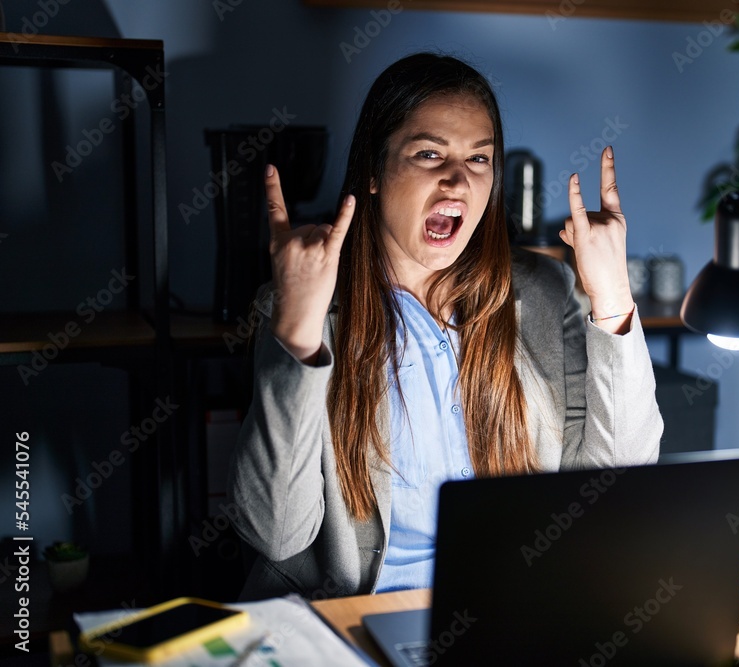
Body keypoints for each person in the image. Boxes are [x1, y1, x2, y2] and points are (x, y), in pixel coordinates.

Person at [229, 52, 663, 601]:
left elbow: (614, 485)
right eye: (429, 154)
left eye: (479, 159)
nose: (457, 179)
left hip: (511, 615)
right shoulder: (308, 305)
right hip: (358, 621)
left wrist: (613, 296)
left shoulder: (545, 293)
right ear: (373, 172)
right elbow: (274, 532)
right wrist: (297, 328)